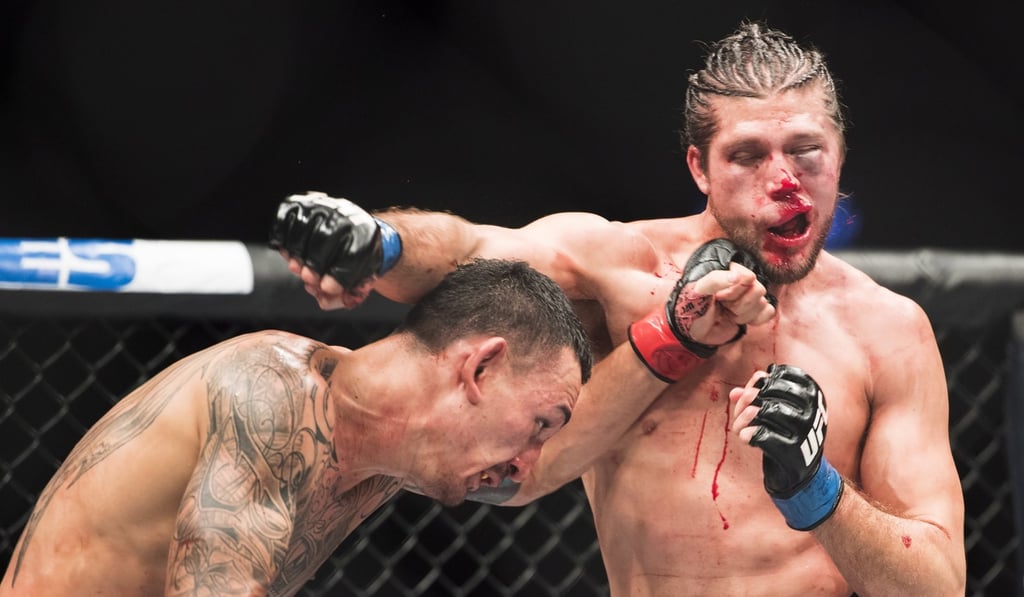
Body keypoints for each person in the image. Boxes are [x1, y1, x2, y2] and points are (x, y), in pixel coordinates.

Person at [270, 20, 967, 596]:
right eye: (748, 155)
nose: (783, 181)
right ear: (699, 166)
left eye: (806, 151)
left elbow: (936, 584)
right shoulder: (621, 268)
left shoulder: (889, 332)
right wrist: (379, 242)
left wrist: (817, 490)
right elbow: (467, 251)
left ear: (840, 155)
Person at [1, 259, 601, 597]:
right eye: (538, 424)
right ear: (480, 366)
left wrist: (665, 349)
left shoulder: (391, 456)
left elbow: (534, 482)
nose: (527, 458)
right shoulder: (271, 394)